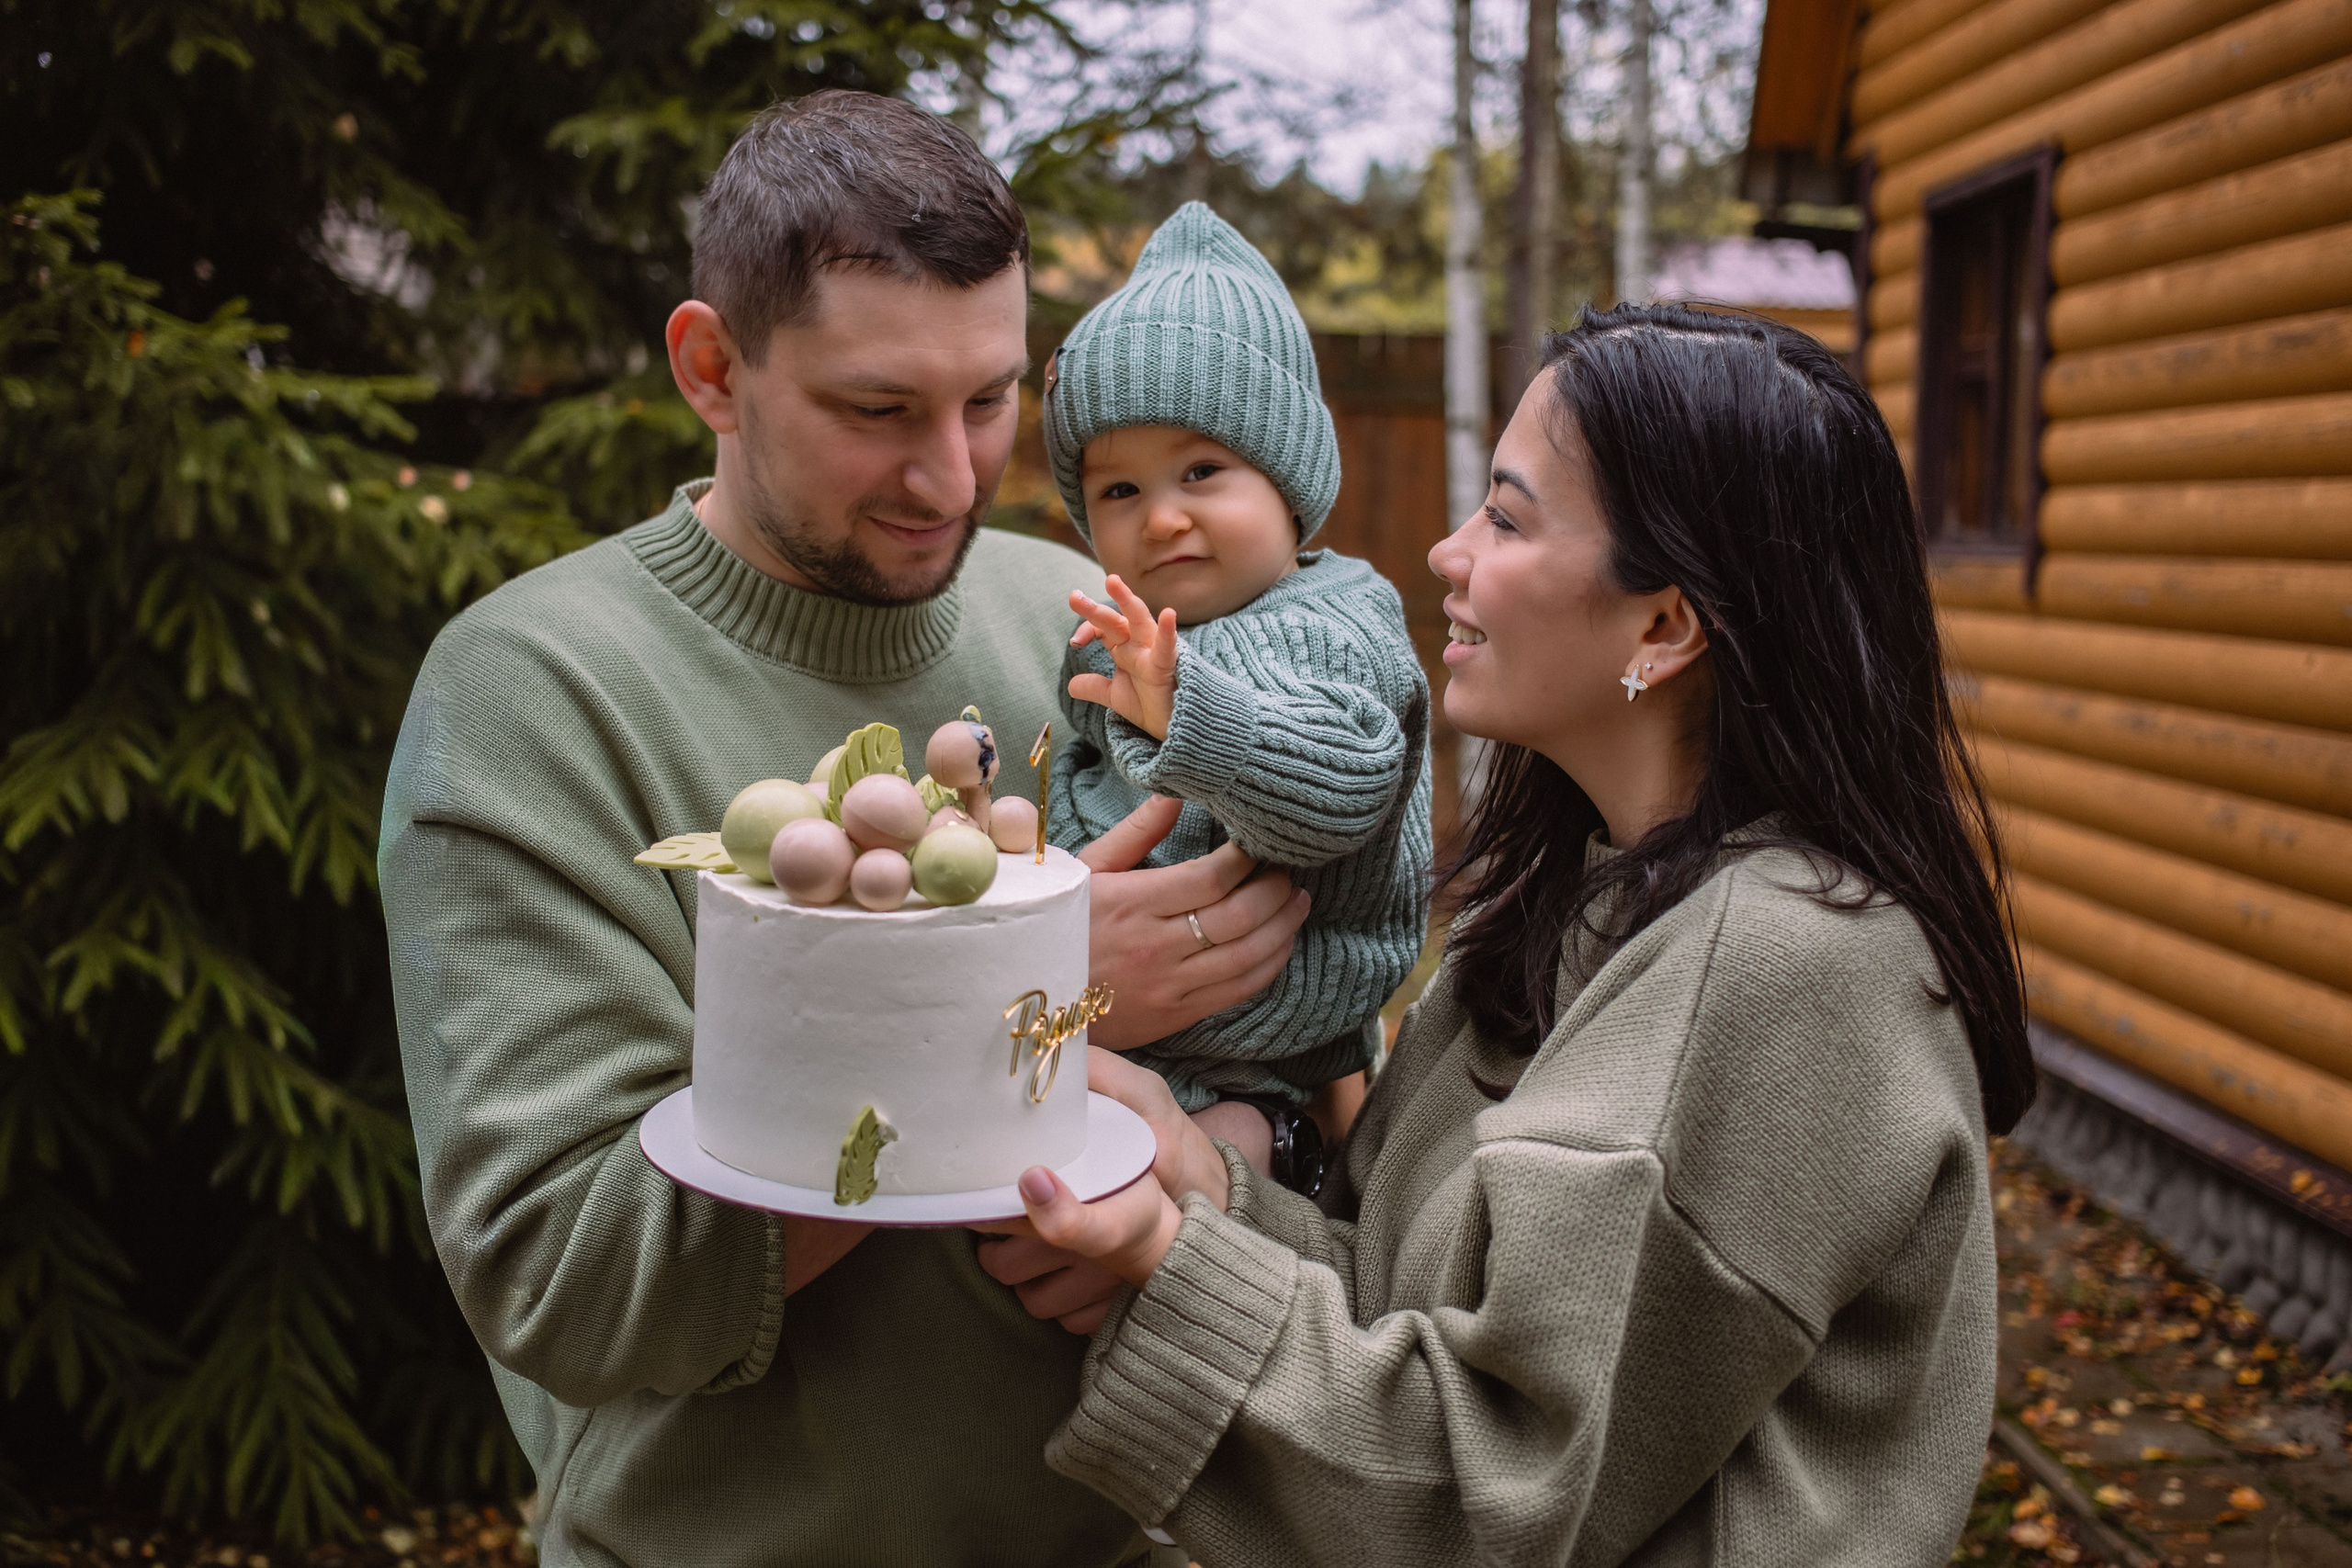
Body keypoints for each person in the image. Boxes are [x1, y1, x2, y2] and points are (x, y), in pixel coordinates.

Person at [379, 91, 1306, 1567]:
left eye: (991, 400)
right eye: (879, 410)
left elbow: (1312, 1061)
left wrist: (1214, 1175)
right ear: (714, 368)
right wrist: (1021, 1005)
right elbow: (565, 1273)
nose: (952, 477)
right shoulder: (533, 693)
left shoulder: (1079, 621)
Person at [992, 305, 2036, 1564]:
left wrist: (1168, 1257)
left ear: (1664, 625)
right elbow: (1396, 1295)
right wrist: (1200, 1180)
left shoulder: (1780, 969)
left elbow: (1490, 1492)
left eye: (1508, 516)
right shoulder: (1569, 911)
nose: (1445, 550)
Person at [1041, 203, 1431, 1186]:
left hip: (1259, 1060)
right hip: (1108, 1024)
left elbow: (1343, 785)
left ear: (1288, 479)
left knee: (1206, 1174)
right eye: (1118, 492)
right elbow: (1081, 784)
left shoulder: (1330, 622)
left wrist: (1191, 716)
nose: (1162, 516)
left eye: (1201, 471)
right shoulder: (1119, 629)